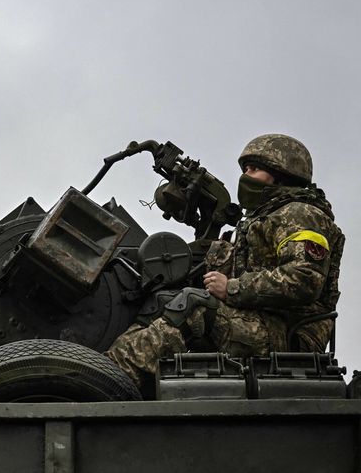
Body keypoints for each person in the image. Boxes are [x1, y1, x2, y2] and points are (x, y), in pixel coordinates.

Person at [104, 134, 344, 388]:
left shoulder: (302, 214)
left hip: (288, 334)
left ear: (279, 174)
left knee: (193, 306)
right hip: (258, 321)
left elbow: (303, 279)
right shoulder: (258, 220)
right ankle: (108, 366)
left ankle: (110, 380)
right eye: (245, 169)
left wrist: (231, 288)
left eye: (254, 169)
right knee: (162, 300)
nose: (245, 176)